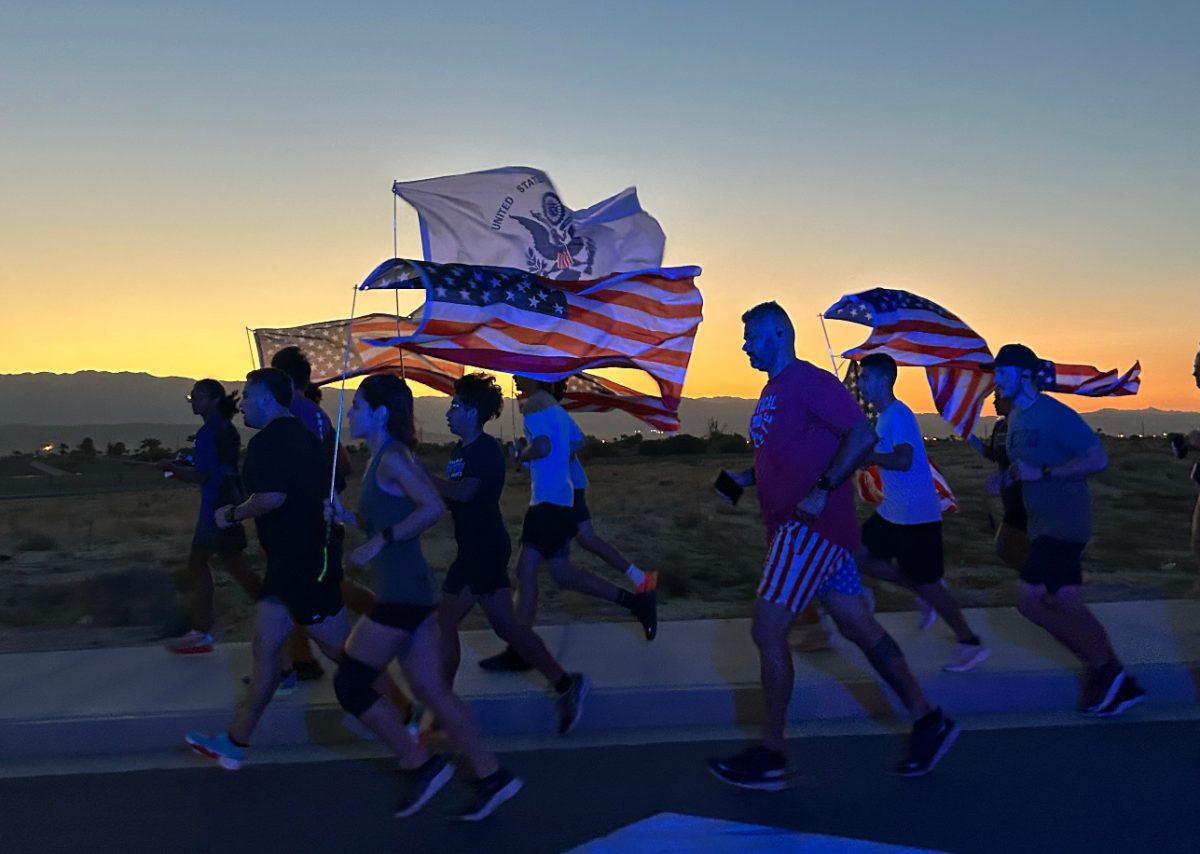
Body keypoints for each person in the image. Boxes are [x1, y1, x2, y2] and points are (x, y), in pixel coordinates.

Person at [709, 302, 958, 789]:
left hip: (808, 530)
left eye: (752, 336)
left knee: (766, 628)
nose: (744, 345)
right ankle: (929, 720)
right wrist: (742, 478)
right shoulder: (773, 390)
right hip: (802, 530)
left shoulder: (809, 381)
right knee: (857, 623)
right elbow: (785, 458)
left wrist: (823, 488)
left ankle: (772, 753)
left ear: (779, 334)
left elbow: (861, 435)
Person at [325, 374, 522, 820]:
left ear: (378, 413)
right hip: (410, 591)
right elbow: (386, 520)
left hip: (402, 594)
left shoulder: (393, 458)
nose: (351, 413)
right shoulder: (383, 459)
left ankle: (423, 766)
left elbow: (431, 507)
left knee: (351, 683)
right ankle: (493, 777)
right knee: (432, 690)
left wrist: (380, 540)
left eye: (357, 406)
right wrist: (350, 517)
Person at [184, 368, 346, 769]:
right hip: (290, 562)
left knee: (338, 651)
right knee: (266, 648)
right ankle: (235, 743)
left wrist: (233, 514)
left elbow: (272, 497)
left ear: (270, 401)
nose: (242, 408)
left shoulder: (268, 443)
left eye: (250, 399)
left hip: (302, 563)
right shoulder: (305, 437)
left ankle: (406, 718)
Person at [427, 372, 588, 734]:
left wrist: (421, 476)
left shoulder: (485, 451)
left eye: (455, 406)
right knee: (509, 627)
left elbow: (464, 492)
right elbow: (450, 496)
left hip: (482, 550)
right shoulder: (460, 451)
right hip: (477, 546)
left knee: (445, 621)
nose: (448, 414)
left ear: (471, 412)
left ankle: (441, 704)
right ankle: (565, 684)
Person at [989, 343, 1145, 716]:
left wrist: (1042, 474)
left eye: (1002, 373)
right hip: (1042, 524)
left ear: (1025, 376)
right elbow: (1027, 465)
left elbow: (1097, 459)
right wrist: (1007, 478)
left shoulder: (1054, 414)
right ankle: (1111, 675)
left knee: (1029, 600)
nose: (995, 381)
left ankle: (1108, 671)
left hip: (1065, 523)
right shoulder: (1016, 421)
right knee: (1067, 602)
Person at [477, 375, 657, 672]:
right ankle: (636, 601)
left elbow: (544, 445)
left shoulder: (533, 404)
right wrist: (554, 458)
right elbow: (575, 441)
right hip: (561, 496)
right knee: (561, 572)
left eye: (519, 371)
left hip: (550, 500)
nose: (513, 376)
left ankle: (521, 650)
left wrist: (523, 454)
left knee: (527, 570)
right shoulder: (554, 409)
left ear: (535, 377)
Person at [855, 354, 989, 673]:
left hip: (916, 518)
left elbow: (903, 459)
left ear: (884, 381)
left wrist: (869, 456)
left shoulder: (898, 415)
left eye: (865, 378)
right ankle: (920, 590)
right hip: (892, 513)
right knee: (858, 557)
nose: (861, 383)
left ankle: (970, 642)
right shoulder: (884, 417)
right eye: (860, 378)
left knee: (930, 586)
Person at [270, 346, 364, 684]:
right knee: (289, 598)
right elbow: (343, 467)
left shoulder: (294, 414)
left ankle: (374, 684)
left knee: (305, 602)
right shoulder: (318, 414)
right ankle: (292, 663)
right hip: (319, 520)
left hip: (306, 525)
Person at [162, 379, 261, 654]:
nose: (193, 400)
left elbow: (202, 475)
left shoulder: (209, 432)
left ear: (214, 399)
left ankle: (202, 631)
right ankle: (277, 616)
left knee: (200, 564)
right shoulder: (225, 429)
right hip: (226, 503)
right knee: (234, 567)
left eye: (197, 395)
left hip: (216, 507)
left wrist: (172, 469)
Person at [968, 390, 1030, 569]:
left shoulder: (1024, 426)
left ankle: (1039, 584)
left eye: (997, 399)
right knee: (1014, 547)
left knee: (1006, 546)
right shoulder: (1000, 427)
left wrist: (1006, 478)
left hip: (1027, 497)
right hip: (1009, 498)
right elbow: (992, 454)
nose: (994, 403)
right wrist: (968, 436)